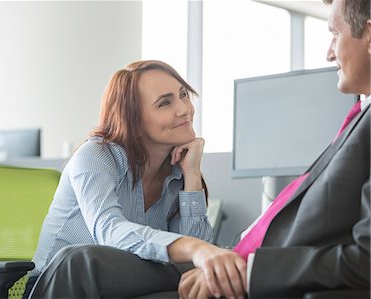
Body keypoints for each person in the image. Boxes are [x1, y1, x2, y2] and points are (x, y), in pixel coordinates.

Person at [178, 0, 370, 298]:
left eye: (335, 34)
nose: (329, 53)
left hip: (266, 279)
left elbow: (367, 259)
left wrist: (249, 272)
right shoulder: (361, 116)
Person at [23, 60, 247, 299]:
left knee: (207, 281)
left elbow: (194, 255)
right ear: (133, 121)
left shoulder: (177, 171)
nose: (184, 109)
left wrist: (192, 175)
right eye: (165, 103)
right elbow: (110, 232)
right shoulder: (95, 156)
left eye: (183, 95)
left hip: (125, 284)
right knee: (81, 259)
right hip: (61, 284)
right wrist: (196, 251)